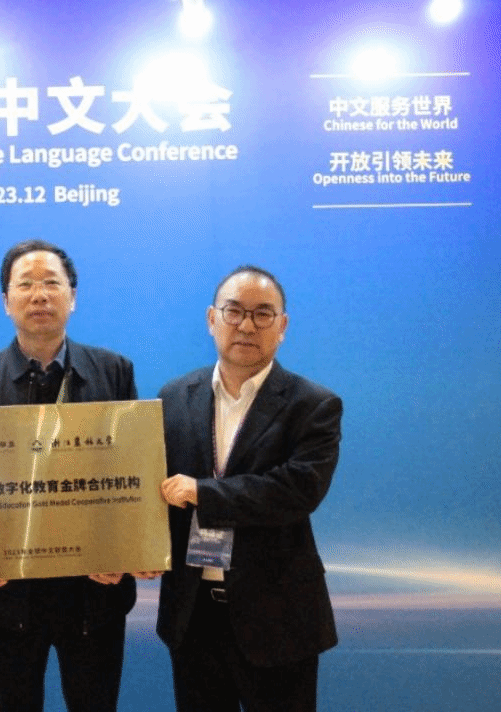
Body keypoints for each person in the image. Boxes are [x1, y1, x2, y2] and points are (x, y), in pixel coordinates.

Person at [0, 240, 139, 712]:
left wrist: (123, 552)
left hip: (95, 590)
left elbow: (131, 476)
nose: (39, 295)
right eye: (26, 284)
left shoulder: (114, 371)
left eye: (52, 283)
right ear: (6, 300)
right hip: (6, 593)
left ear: (72, 297)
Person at [157, 265, 342, 712]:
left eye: (262, 314)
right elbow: (155, 490)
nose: (246, 325)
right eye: (234, 311)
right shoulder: (174, 397)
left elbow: (298, 490)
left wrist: (203, 493)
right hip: (193, 615)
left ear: (283, 326)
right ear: (211, 319)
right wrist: (139, 550)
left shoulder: (313, 405)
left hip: (278, 618)